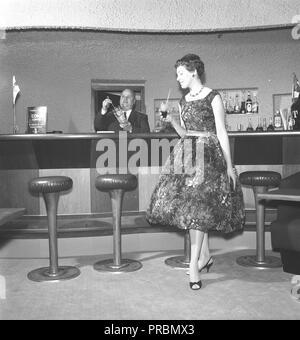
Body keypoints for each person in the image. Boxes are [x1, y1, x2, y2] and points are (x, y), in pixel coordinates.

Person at [146, 54, 245, 290]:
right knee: (196, 209)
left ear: (194, 72)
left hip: (209, 156)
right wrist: (171, 120)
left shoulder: (213, 96)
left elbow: (221, 132)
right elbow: (185, 134)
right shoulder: (182, 102)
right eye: (177, 73)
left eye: (180, 73)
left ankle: (193, 266)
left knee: (199, 207)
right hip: (187, 155)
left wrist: (230, 166)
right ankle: (204, 258)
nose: (177, 78)